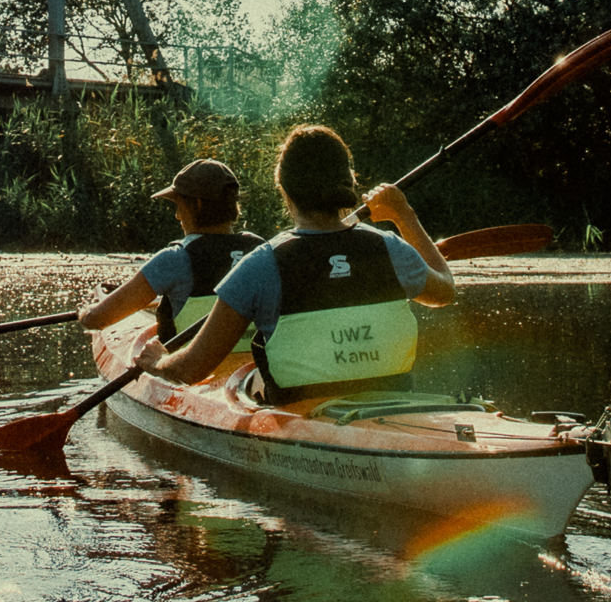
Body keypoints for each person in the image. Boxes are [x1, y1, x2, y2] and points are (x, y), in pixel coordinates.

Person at [136, 124, 456, 405]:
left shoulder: (261, 264)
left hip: (302, 414)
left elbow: (191, 369)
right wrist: (404, 215)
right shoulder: (389, 247)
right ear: (348, 181)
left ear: (284, 190)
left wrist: (158, 362)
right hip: (393, 407)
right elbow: (445, 291)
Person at [76, 158, 263, 340]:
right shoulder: (262, 251)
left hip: (188, 367)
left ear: (197, 204)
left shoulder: (174, 259)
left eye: (178, 206)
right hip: (255, 368)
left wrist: (85, 312)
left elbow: (96, 320)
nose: (177, 216)